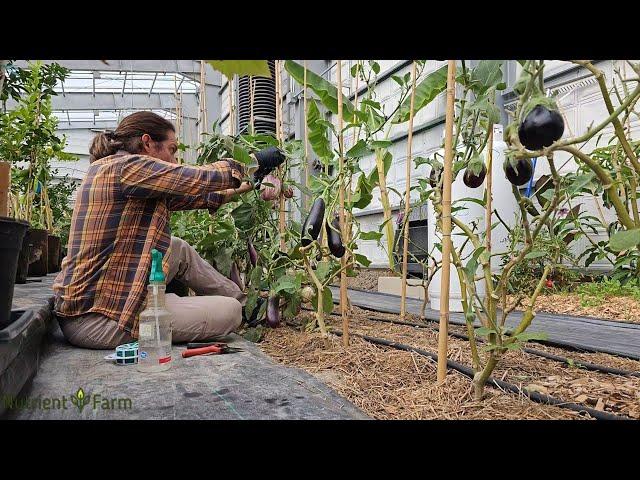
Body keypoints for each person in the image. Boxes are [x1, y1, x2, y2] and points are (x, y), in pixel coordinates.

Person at [52, 111, 284, 349]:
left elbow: (205, 196)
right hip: (102, 320)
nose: (174, 160)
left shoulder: (128, 175)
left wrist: (254, 182)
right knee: (229, 313)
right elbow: (198, 177)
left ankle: (248, 304)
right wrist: (253, 163)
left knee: (176, 247)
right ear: (147, 143)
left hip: (103, 301)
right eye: (172, 150)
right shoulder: (126, 168)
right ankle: (228, 308)